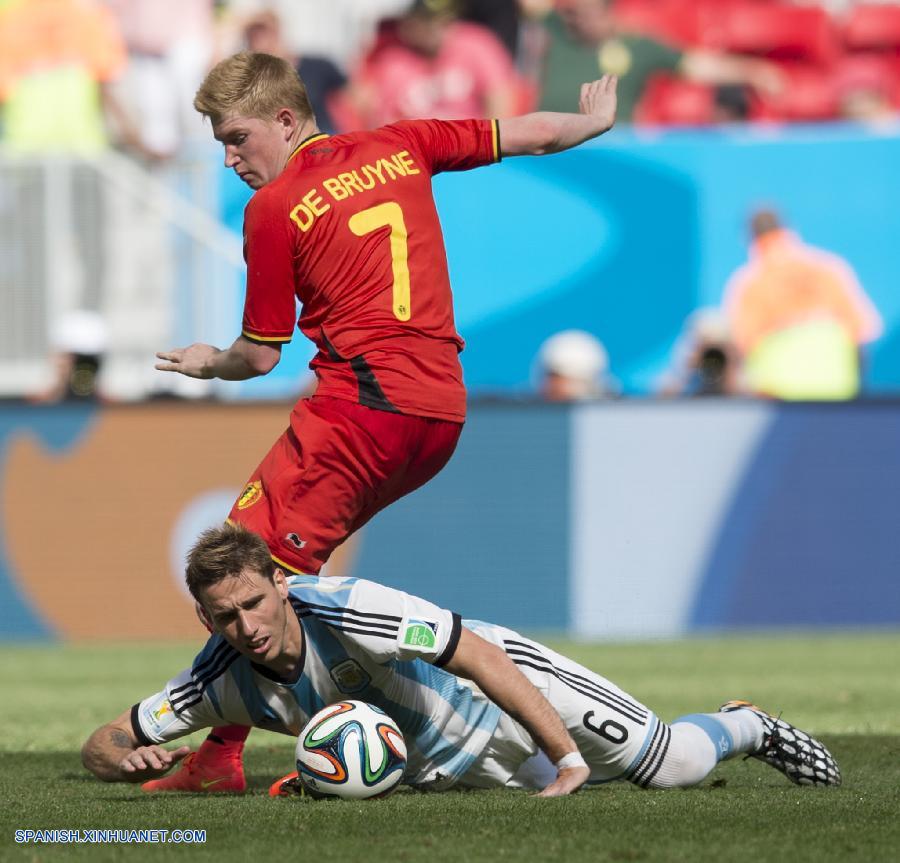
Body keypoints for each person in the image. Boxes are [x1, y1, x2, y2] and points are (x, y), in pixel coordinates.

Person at [152, 52, 618, 791]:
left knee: (238, 570)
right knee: (291, 575)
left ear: (285, 118)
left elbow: (261, 356)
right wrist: (592, 123)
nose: (232, 157)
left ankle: (233, 756)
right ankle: (268, 745)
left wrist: (211, 361)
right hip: (439, 415)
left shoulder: (273, 210)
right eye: (220, 144)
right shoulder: (400, 144)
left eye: (237, 137)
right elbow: (525, 134)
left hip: (363, 410)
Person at [81, 524, 841, 796]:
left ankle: (746, 724)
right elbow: (104, 739)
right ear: (204, 619)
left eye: (253, 603)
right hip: (462, 767)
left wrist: (568, 757)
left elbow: (473, 653)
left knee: (671, 765)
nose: (245, 626)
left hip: (514, 686)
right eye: (225, 616)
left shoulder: (347, 604)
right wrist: (127, 758)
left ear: (282, 584)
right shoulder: (219, 677)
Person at [723, 209, 882, 400]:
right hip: (837, 391)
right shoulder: (830, 268)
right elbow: (863, 331)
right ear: (790, 231)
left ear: (752, 241)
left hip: (777, 399)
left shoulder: (750, 282)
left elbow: (740, 345)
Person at [537, 0, 783, 123]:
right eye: (573, 14)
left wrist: (753, 71)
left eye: (588, 14)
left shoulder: (638, 45)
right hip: (548, 145)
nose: (578, 21)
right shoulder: (556, 29)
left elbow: (695, 66)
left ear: (609, 12)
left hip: (611, 147)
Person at [344, 0, 520, 129]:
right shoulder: (393, 61)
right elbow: (377, 121)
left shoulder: (476, 43)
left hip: (470, 153)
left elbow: (501, 104)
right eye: (423, 22)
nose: (437, 28)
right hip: (414, 156)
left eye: (441, 21)